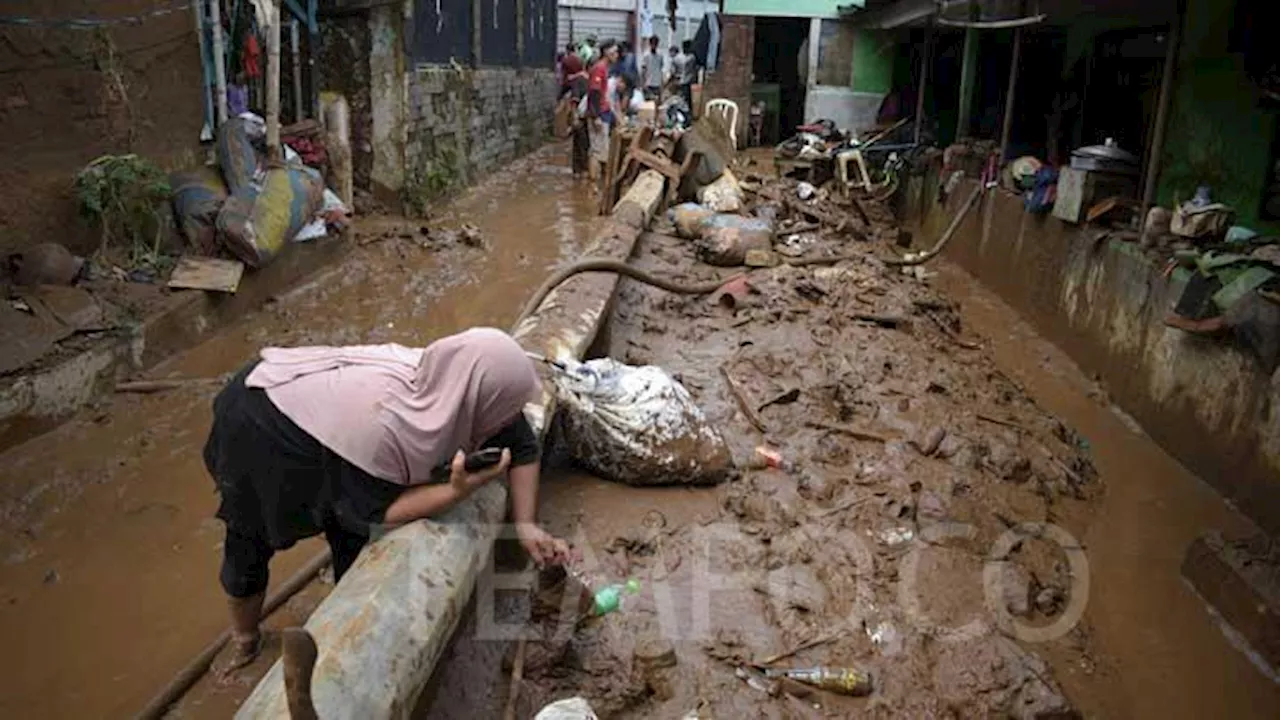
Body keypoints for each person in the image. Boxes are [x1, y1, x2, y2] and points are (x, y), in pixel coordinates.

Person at [204, 328, 572, 672]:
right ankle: (245, 639)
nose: (511, 417)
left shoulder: (462, 386)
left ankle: (343, 625)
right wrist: (457, 490)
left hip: (337, 423)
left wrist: (526, 525)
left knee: (347, 530)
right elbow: (375, 513)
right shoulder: (385, 429)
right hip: (261, 424)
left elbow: (522, 446)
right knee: (251, 537)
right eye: (508, 409)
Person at [586, 40, 619, 188]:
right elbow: (594, 93)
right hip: (598, 114)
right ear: (607, 53)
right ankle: (593, 185)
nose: (617, 55)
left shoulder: (604, 68)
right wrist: (596, 116)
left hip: (603, 112)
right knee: (597, 150)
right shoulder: (599, 68)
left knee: (601, 148)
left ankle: (597, 183)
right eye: (615, 52)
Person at [674, 40, 697, 115]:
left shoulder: (691, 57)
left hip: (688, 82)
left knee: (687, 100)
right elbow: (674, 70)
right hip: (682, 82)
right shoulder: (679, 58)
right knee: (681, 100)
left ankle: (687, 115)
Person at [641, 35, 665, 101]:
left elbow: (661, 69)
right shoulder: (646, 55)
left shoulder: (660, 55)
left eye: (656, 44)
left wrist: (662, 83)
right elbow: (643, 69)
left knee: (657, 103)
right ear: (650, 44)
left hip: (657, 84)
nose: (654, 45)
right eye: (653, 44)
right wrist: (643, 83)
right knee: (649, 104)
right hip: (648, 84)